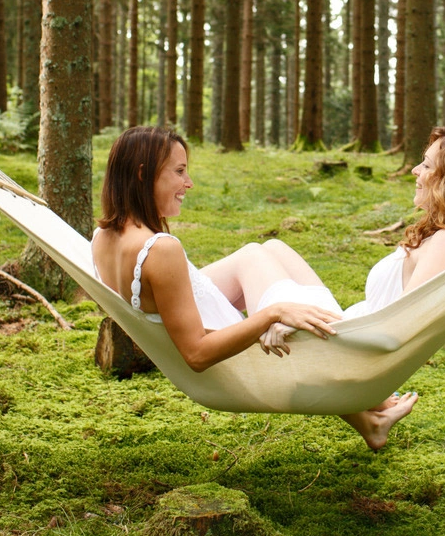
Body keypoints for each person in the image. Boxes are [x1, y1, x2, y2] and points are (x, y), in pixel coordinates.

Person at [90, 126, 421, 449]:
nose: (188, 183)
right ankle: (350, 359)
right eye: (179, 172)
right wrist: (272, 315)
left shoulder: (102, 239)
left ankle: (369, 420)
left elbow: (161, 301)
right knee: (268, 264)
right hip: (222, 343)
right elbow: (197, 354)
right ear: (142, 174)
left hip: (188, 315)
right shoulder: (161, 250)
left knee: (266, 250)